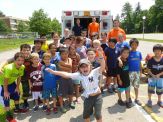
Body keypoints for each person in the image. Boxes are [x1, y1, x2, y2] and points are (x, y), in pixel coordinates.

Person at [46, 47, 105, 122]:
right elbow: (66, 74)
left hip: (97, 97)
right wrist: (54, 72)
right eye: (82, 67)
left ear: (90, 66)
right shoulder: (79, 75)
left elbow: (102, 66)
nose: (84, 68)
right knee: (86, 115)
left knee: (98, 114)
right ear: (79, 69)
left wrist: (100, 54)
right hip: (88, 98)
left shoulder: (95, 72)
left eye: (86, 66)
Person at [0, 52, 27, 121]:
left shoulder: (22, 67)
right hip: (3, 83)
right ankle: (8, 116)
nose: (20, 62)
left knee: (16, 93)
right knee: (6, 97)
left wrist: (17, 87)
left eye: (22, 60)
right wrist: (5, 91)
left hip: (11, 82)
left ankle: (17, 109)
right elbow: (5, 81)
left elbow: (19, 77)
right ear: (14, 60)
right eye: (18, 60)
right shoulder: (9, 68)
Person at [58, 47, 75, 113]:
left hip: (70, 78)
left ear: (68, 54)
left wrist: (62, 65)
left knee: (71, 91)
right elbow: (68, 68)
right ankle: (61, 106)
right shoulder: (59, 61)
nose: (65, 55)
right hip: (62, 79)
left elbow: (70, 67)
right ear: (60, 55)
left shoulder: (69, 59)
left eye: (66, 54)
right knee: (61, 94)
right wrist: (67, 67)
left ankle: (71, 102)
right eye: (63, 54)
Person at [128, 38, 142, 105]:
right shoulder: (128, 53)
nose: (134, 46)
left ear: (137, 45)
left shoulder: (139, 53)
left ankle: (136, 98)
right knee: (129, 86)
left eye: (135, 45)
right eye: (132, 45)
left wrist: (141, 72)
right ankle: (129, 98)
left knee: (136, 86)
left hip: (137, 72)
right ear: (130, 45)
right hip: (129, 72)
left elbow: (139, 63)